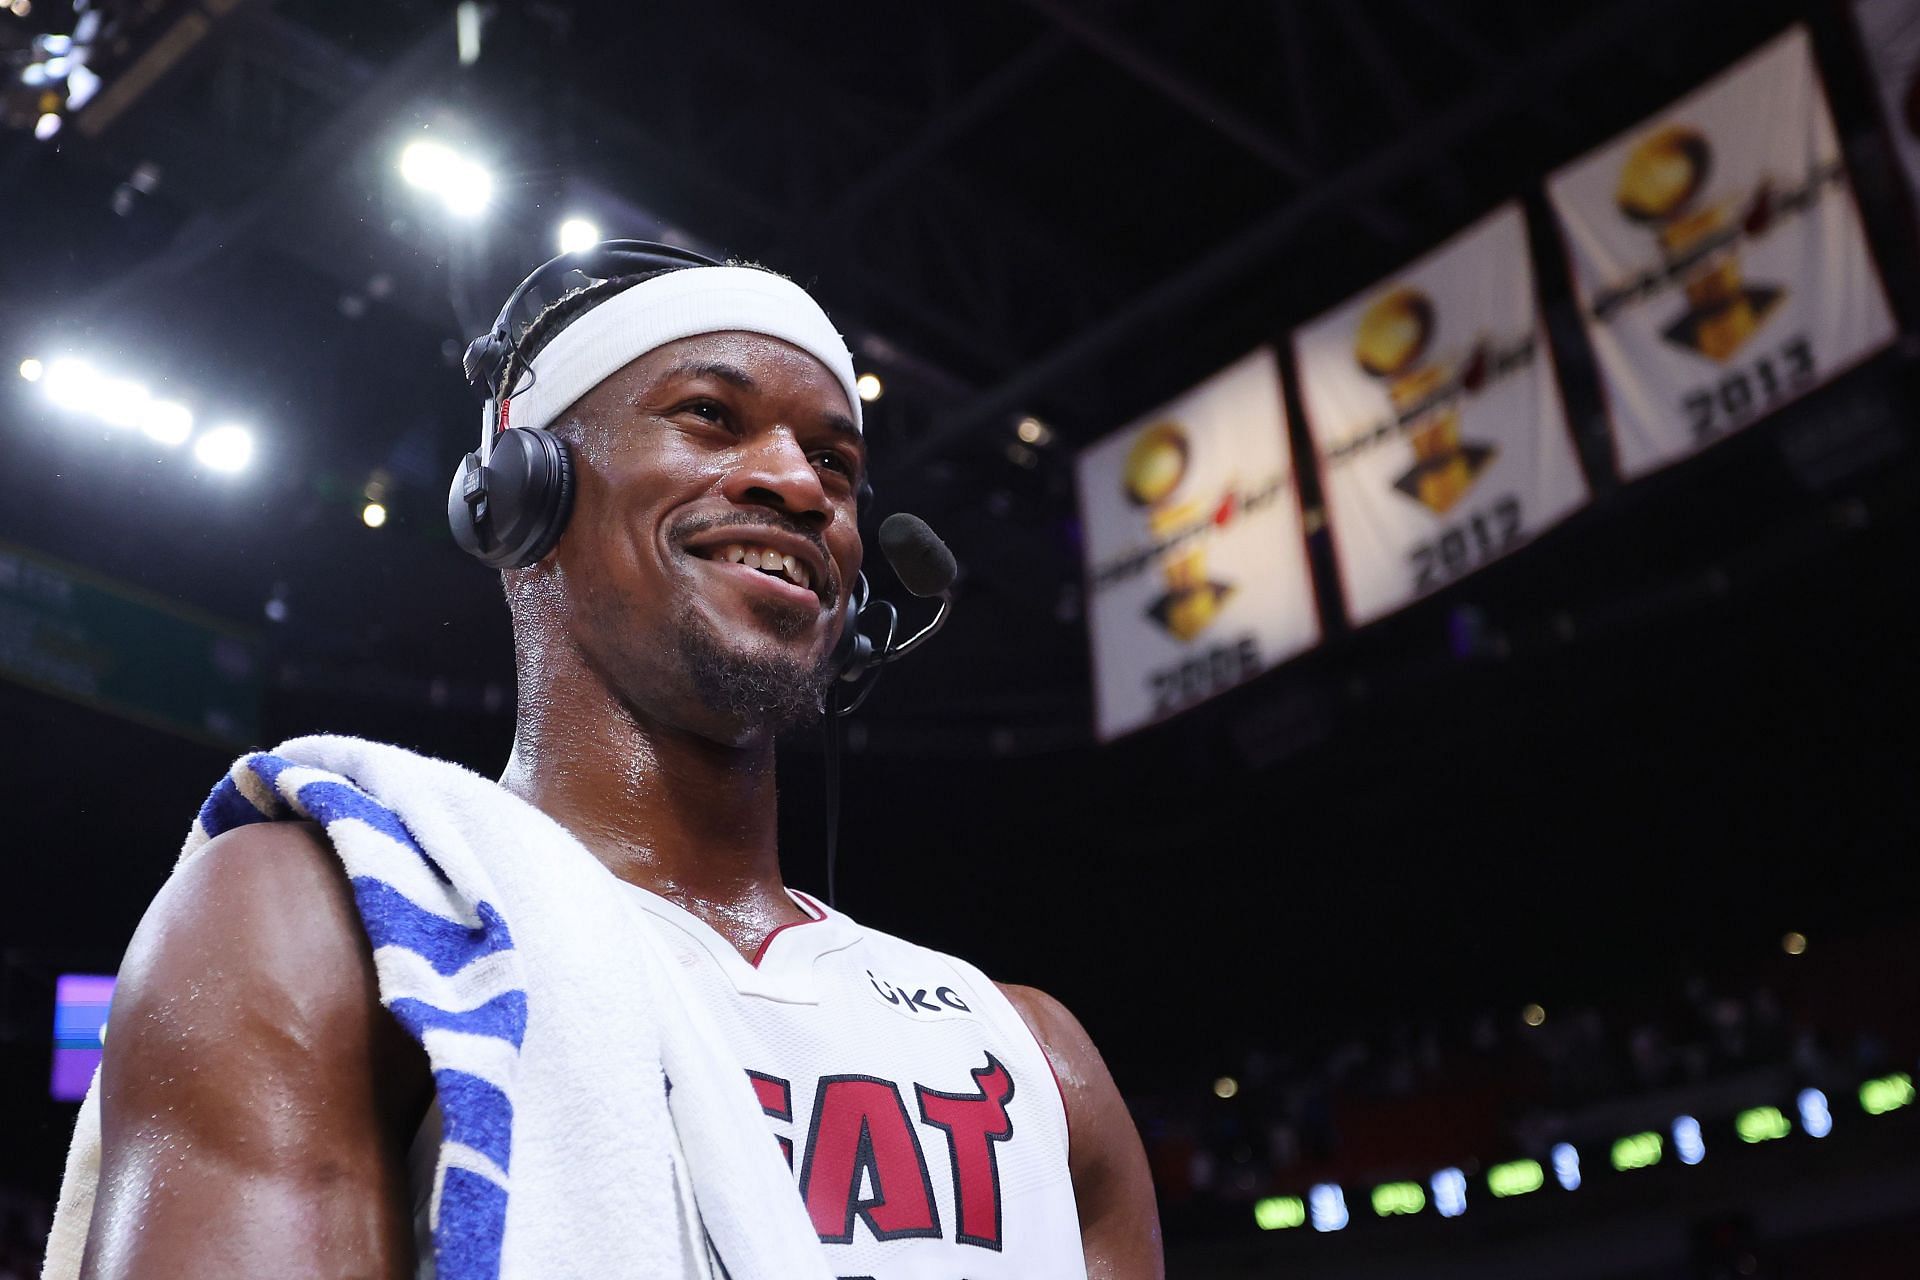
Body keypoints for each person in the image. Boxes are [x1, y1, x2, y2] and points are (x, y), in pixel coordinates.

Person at [74, 250, 1164, 1277]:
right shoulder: (326, 920)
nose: (796, 481)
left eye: (835, 458)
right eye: (710, 417)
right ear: (523, 499)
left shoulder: (1035, 1059)